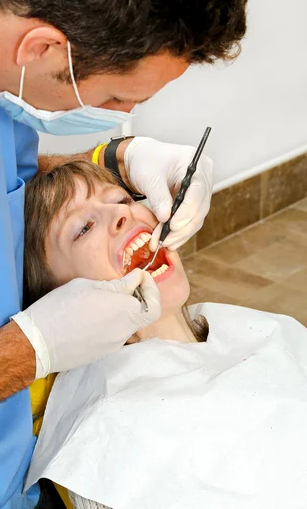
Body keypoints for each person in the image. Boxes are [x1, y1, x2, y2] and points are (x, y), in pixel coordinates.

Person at [0, 0, 248, 506]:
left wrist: (116, 159)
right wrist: (29, 350)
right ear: (42, 49)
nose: (118, 113)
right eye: (116, 98)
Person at [23, 161, 307, 509]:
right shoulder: (110, 433)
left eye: (123, 199)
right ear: (55, 299)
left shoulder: (257, 331)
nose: (120, 214)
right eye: (83, 228)